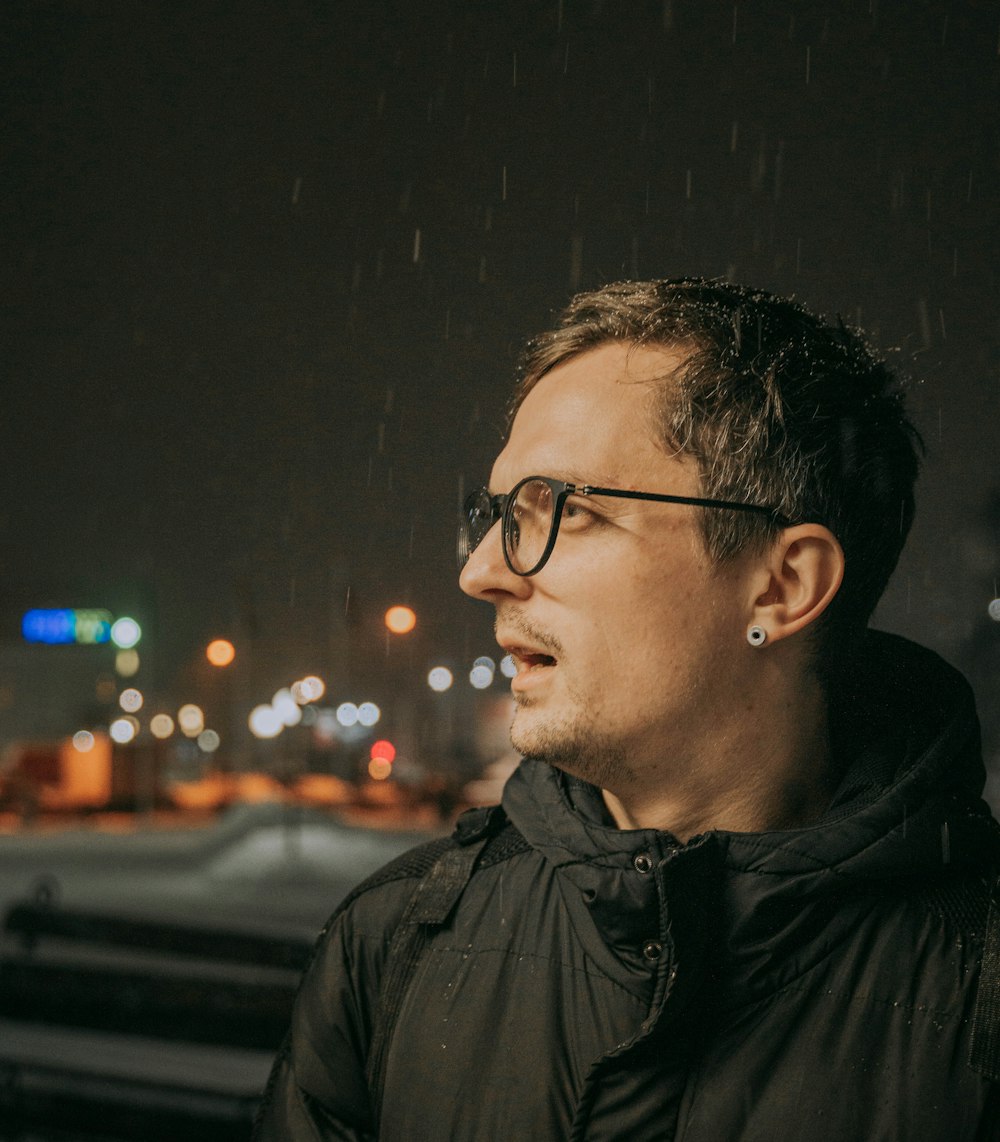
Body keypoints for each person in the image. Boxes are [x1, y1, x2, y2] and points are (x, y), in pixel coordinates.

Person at [254, 279, 1000, 1140]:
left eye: (562, 511)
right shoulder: (395, 946)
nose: (482, 572)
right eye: (496, 514)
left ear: (783, 584)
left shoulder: (979, 990)